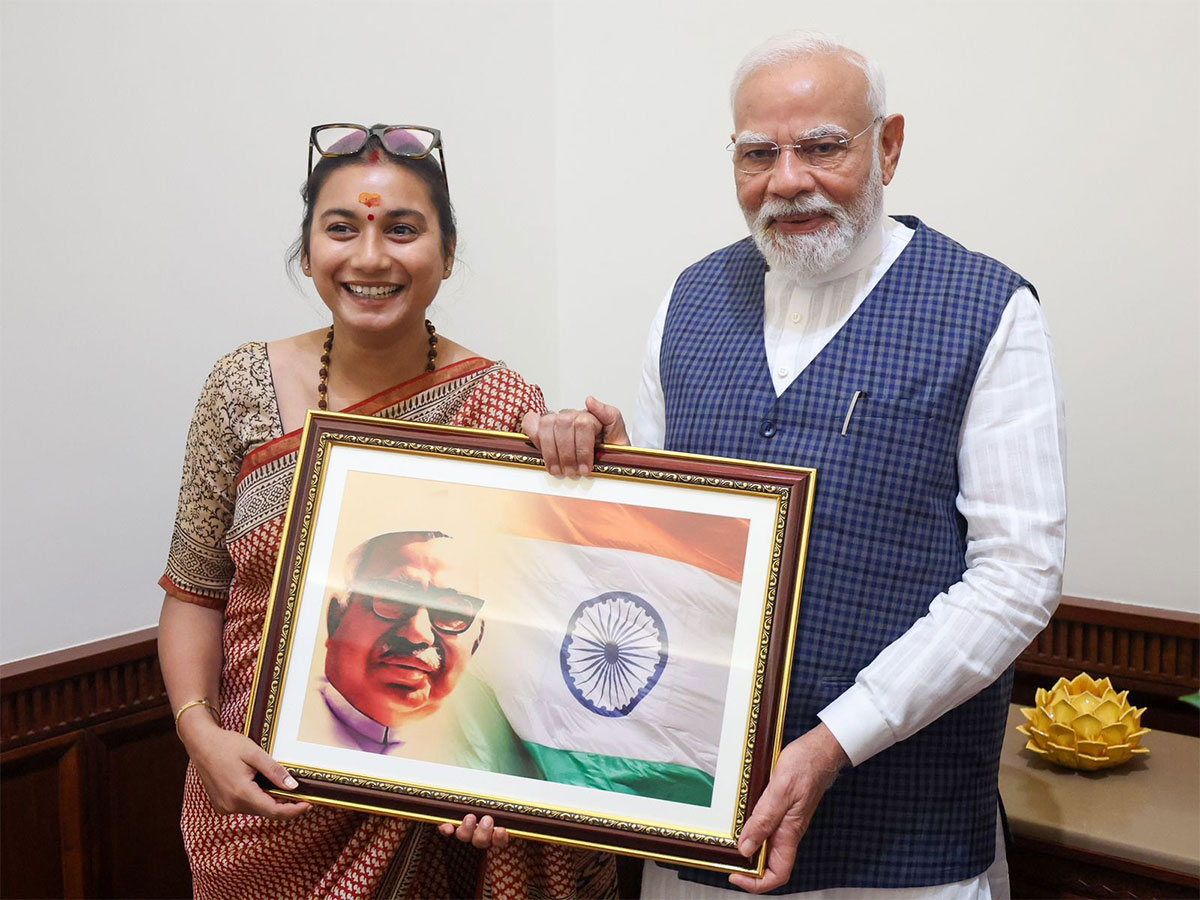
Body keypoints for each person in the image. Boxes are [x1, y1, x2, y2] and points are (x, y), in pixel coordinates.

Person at [524, 30, 1066, 899]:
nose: (787, 181)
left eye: (821, 146)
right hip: (700, 823)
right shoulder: (689, 299)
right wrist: (599, 472)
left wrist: (833, 742)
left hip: (904, 841)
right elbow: (664, 543)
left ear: (888, 145)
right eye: (757, 154)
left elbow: (1018, 577)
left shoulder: (989, 309)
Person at [158, 124, 616, 899]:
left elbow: (527, 640)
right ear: (308, 252)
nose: (371, 258)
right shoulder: (241, 389)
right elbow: (194, 593)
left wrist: (584, 460)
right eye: (343, 228)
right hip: (258, 801)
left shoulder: (503, 408)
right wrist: (200, 734)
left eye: (402, 229)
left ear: (446, 249)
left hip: (438, 817)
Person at [303, 530, 541, 779]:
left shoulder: (495, 762)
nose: (418, 633)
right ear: (335, 616)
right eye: (393, 598)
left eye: (450, 609)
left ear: (476, 643)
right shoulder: (283, 731)